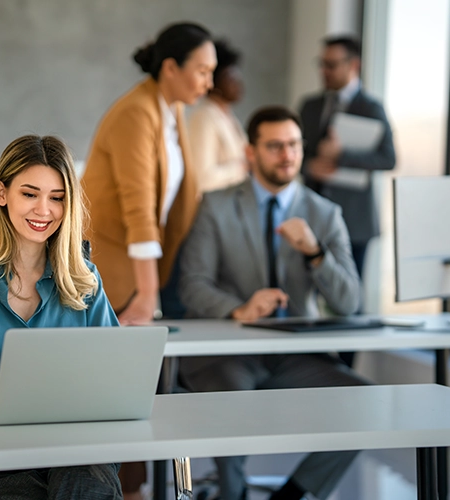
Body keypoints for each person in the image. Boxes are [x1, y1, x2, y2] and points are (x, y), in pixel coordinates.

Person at [178, 106, 368, 500]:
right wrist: (238, 309)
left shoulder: (325, 213)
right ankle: (233, 495)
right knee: (232, 405)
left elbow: (349, 301)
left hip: (294, 354)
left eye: (295, 145)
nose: (288, 155)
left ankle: (292, 496)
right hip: (228, 353)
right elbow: (192, 285)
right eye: (276, 146)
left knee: (364, 404)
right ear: (251, 153)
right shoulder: (215, 206)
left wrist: (316, 253)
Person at [0, 135, 123, 500]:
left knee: (84, 477)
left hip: (75, 447)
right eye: (29, 194)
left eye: (57, 198)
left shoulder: (84, 279)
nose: (43, 210)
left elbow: (115, 374)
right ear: (2, 194)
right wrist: (16, 397)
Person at [81, 21, 216, 498]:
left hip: (141, 269)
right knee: (117, 393)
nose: (209, 82)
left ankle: (132, 488)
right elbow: (140, 210)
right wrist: (147, 295)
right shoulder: (136, 113)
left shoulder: (169, 110)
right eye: (201, 70)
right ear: (171, 68)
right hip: (114, 271)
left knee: (138, 391)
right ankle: (120, 489)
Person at [299, 35, 395, 367]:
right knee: (303, 292)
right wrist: (310, 164)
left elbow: (388, 158)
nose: (324, 70)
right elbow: (294, 154)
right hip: (310, 215)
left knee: (349, 300)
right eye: (321, 64)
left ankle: (344, 369)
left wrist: (343, 155)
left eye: (331, 64)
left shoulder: (371, 107)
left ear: (353, 65)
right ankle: (308, 365)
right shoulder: (310, 106)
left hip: (354, 221)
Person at [187, 39, 249, 192]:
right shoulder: (204, 118)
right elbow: (202, 178)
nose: (238, 84)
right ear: (214, 79)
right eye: (231, 77)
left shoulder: (227, 115)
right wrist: (243, 167)